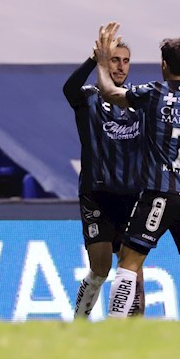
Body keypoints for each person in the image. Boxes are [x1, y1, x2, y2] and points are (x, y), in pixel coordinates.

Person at [94, 22, 180, 320]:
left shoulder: (153, 93)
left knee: (128, 260)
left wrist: (102, 62)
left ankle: (114, 324)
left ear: (164, 65)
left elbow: (110, 92)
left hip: (159, 193)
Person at [63, 38, 145, 318]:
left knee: (132, 268)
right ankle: (80, 320)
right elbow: (68, 89)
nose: (121, 66)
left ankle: (134, 329)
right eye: (114, 60)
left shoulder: (138, 99)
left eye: (125, 60)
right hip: (96, 193)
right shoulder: (88, 97)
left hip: (133, 195)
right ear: (104, 63)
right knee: (100, 267)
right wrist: (92, 60)